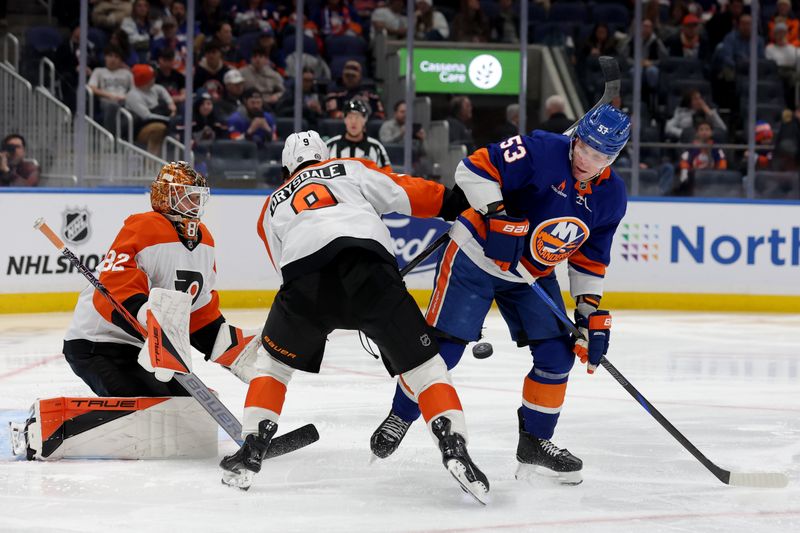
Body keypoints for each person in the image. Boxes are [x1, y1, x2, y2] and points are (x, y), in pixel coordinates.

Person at [219, 131, 489, 504]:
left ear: (287, 168)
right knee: (426, 369)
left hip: (304, 282)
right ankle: (453, 444)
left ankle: (252, 446)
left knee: (274, 365)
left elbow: (283, 266)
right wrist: (453, 203)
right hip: (368, 272)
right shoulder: (347, 167)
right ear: (323, 155)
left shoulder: (269, 206)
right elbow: (404, 193)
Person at [369, 104, 631, 487]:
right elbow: (471, 170)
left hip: (531, 276)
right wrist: (498, 215)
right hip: (475, 257)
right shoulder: (541, 150)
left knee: (558, 355)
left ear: (614, 157)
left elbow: (590, 260)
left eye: (600, 156)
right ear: (577, 137)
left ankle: (536, 442)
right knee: (444, 352)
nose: (587, 160)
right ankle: (400, 415)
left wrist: (587, 313)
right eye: (585, 148)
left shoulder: (611, 197)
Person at [62, 161, 261, 398]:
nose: (194, 204)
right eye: (187, 197)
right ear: (165, 197)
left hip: (139, 348)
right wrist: (150, 320)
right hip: (97, 344)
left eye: (198, 198)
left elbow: (197, 310)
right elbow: (117, 286)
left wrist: (225, 346)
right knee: (151, 407)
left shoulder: (204, 239)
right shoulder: (145, 226)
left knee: (186, 407)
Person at [327, 99, 392, 170]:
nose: (353, 122)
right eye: (350, 117)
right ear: (344, 120)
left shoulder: (376, 147)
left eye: (357, 117)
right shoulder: (329, 146)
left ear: (365, 120)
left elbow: (388, 176)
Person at [125, 64, 176, 155]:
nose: (154, 79)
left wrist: (170, 103)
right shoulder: (133, 95)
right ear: (145, 80)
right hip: (140, 127)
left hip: (159, 119)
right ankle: (151, 162)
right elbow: (146, 116)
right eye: (152, 77)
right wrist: (168, 120)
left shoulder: (153, 88)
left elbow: (162, 90)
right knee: (159, 128)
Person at [88, 44, 134, 131]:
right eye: (110, 56)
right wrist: (109, 96)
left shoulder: (127, 73)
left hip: (124, 101)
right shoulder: (98, 71)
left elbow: (134, 90)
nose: (113, 59)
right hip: (106, 101)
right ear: (105, 57)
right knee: (112, 106)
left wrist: (126, 97)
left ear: (121, 60)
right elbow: (92, 87)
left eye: (116, 57)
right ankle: (110, 135)